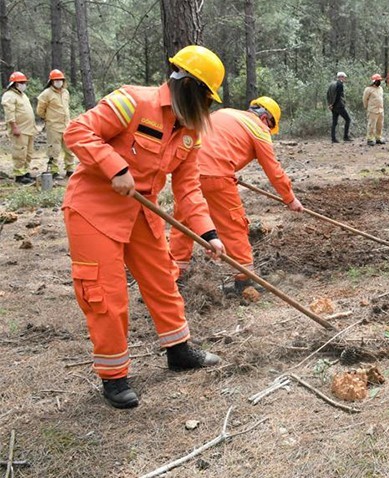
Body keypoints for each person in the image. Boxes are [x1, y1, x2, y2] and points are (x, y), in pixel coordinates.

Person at [62, 45, 227, 409]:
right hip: (95, 209)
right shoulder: (132, 101)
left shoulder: (189, 132)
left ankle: (178, 350)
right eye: (206, 98)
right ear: (190, 87)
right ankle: (114, 376)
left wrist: (209, 234)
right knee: (106, 293)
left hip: (142, 211)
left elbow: (189, 189)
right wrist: (114, 168)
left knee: (163, 280)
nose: (208, 108)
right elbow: (77, 131)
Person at [170, 96, 303, 295]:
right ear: (266, 118)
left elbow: (212, 144)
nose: (268, 130)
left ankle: (175, 276)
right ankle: (245, 280)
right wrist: (290, 199)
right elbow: (273, 170)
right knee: (233, 225)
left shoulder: (225, 113)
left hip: (185, 173)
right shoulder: (259, 129)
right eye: (270, 125)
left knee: (183, 224)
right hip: (217, 177)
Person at [37, 69, 76, 180]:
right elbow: (40, 110)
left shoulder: (65, 92)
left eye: (60, 80)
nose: (58, 82)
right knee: (54, 149)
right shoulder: (46, 94)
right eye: (56, 80)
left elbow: (66, 108)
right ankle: (54, 171)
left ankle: (70, 169)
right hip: (53, 126)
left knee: (69, 149)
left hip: (66, 125)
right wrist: (48, 119)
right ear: (51, 81)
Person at [2, 72, 36, 184]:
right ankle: (19, 175)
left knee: (28, 153)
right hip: (19, 129)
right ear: (15, 84)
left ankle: (25, 171)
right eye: (21, 82)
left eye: (24, 82)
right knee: (19, 152)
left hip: (29, 129)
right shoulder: (9, 95)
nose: (23, 84)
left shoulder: (23, 95)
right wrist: (14, 127)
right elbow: (9, 113)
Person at [327, 72, 351, 143]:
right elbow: (338, 96)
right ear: (340, 77)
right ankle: (345, 137)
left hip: (333, 107)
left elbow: (328, 94)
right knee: (348, 120)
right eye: (343, 77)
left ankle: (333, 138)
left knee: (334, 122)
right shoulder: (340, 84)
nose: (344, 79)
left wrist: (330, 104)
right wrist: (333, 104)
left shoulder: (332, 84)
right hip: (339, 106)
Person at [363, 74, 385, 146]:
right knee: (371, 125)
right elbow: (365, 99)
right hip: (372, 110)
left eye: (379, 80)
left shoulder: (380, 89)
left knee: (380, 125)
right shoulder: (368, 89)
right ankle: (370, 139)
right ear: (374, 81)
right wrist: (366, 107)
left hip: (380, 110)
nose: (379, 81)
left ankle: (378, 138)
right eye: (377, 80)